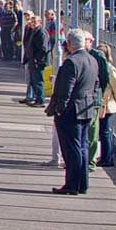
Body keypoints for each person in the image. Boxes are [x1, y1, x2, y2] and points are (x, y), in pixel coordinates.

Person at [45, 28, 99, 194]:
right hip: (86, 109)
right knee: (82, 147)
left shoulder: (71, 62)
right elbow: (95, 85)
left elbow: (65, 89)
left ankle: (72, 184)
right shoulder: (92, 60)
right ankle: (82, 184)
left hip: (71, 111)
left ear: (69, 44)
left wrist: (59, 109)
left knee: (71, 148)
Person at [90, 41, 116, 167]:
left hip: (106, 104)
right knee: (102, 131)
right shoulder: (104, 66)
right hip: (104, 102)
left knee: (104, 131)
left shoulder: (108, 68)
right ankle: (105, 156)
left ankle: (107, 158)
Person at [21, 12, 49, 105]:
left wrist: (38, 60)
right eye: (32, 22)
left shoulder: (41, 32)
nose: (33, 23)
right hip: (32, 59)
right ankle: (36, 99)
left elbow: (43, 48)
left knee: (38, 81)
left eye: (35, 22)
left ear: (40, 22)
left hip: (38, 61)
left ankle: (40, 100)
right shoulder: (34, 31)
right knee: (33, 80)